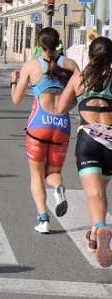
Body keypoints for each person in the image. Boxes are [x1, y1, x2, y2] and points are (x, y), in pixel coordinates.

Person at [11, 28, 77, 234]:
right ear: (58, 43)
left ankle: (43, 219)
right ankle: (58, 190)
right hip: (62, 125)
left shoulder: (31, 66)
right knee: (54, 173)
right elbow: (80, 94)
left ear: (39, 45)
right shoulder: (70, 65)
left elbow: (16, 99)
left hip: (38, 124)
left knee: (37, 175)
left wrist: (14, 80)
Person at [58, 36, 112, 266]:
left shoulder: (80, 79)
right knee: (102, 190)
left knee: (93, 194)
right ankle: (94, 235)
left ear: (89, 55)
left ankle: (99, 227)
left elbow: (61, 107)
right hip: (110, 139)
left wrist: (79, 100)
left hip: (88, 138)